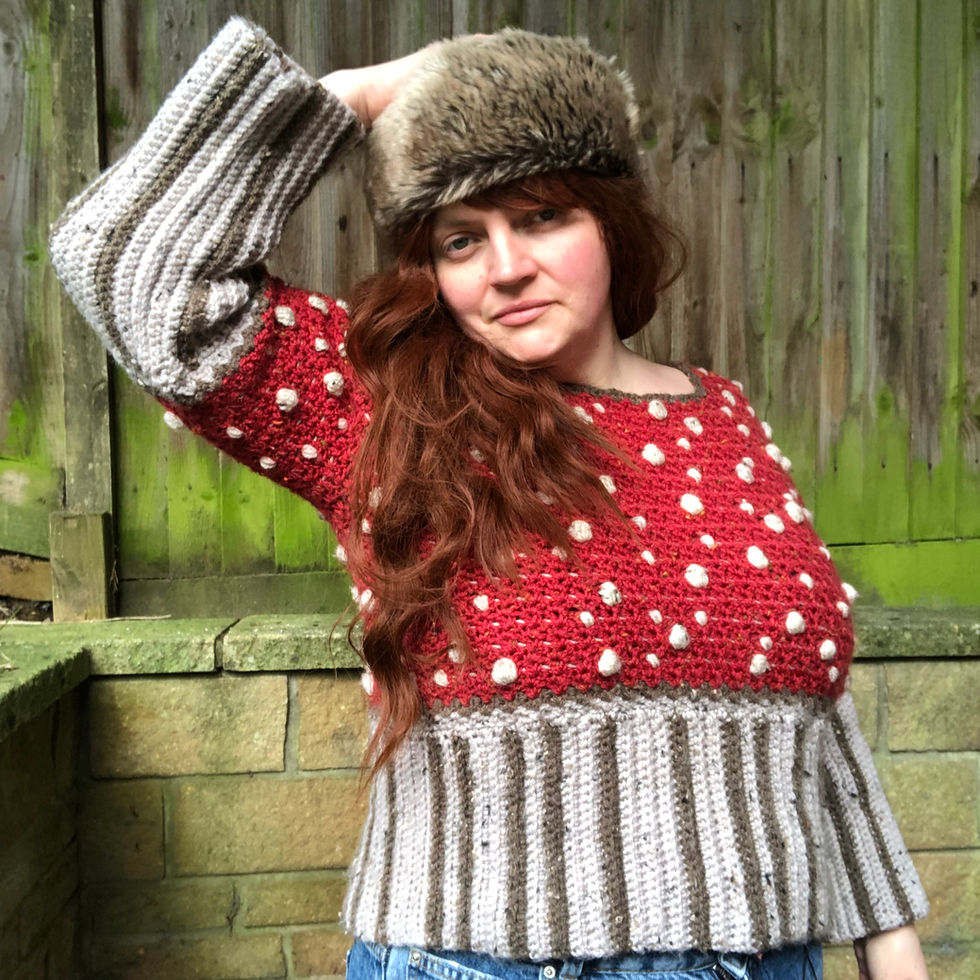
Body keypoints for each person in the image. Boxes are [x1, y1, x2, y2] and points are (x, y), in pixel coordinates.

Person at [49, 18, 930, 980]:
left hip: (767, 958)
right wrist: (355, 96)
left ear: (614, 224)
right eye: (461, 240)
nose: (505, 267)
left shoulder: (724, 416)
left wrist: (893, 948)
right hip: (483, 962)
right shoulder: (387, 410)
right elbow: (122, 261)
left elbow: (812, 714)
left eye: (543, 217)